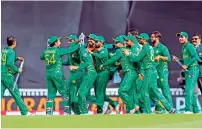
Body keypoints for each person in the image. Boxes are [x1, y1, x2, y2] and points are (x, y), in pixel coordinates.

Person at [123, 33, 175, 114]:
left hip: (149, 71)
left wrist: (128, 54)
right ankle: (170, 108)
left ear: (144, 39)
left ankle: (148, 112)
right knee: (156, 91)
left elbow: (136, 58)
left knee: (144, 92)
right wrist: (142, 71)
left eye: (140, 38)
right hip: (151, 71)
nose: (139, 40)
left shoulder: (145, 48)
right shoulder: (150, 47)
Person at [40, 36, 79, 115]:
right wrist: (78, 44)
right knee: (65, 92)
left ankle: (48, 112)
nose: (60, 43)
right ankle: (67, 112)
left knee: (51, 93)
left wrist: (48, 48)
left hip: (48, 74)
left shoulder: (46, 51)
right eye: (59, 41)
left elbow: (41, 57)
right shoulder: (58, 51)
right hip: (57, 74)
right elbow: (70, 50)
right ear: (55, 43)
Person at [102, 35, 139, 114]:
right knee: (130, 93)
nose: (115, 43)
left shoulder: (120, 51)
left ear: (121, 43)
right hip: (133, 73)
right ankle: (132, 111)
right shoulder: (128, 50)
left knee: (121, 91)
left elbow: (113, 59)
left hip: (129, 73)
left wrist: (104, 64)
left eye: (117, 42)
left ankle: (132, 107)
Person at [87, 36, 119, 114]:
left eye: (97, 41)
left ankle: (100, 110)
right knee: (98, 92)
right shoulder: (97, 50)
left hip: (104, 72)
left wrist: (91, 52)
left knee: (99, 92)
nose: (95, 42)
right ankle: (113, 104)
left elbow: (101, 56)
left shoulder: (104, 50)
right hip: (98, 73)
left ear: (101, 43)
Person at [1, 36, 31, 115]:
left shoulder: (4, 50)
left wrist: (16, 58)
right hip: (8, 76)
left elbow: (5, 61)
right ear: (14, 43)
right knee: (16, 94)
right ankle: (25, 112)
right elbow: (9, 63)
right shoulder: (11, 52)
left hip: (1, 74)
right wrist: (18, 69)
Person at [69, 39, 97, 115]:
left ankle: (85, 112)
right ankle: (83, 111)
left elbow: (87, 63)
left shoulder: (83, 51)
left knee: (81, 93)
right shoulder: (82, 51)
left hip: (90, 73)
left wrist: (76, 67)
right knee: (82, 94)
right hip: (87, 73)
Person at [174, 32, 200, 114]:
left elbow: (196, 57)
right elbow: (186, 59)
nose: (180, 38)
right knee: (191, 91)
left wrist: (187, 65)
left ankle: (188, 110)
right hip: (188, 70)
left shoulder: (189, 46)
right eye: (179, 37)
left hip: (193, 69)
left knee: (188, 90)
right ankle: (196, 111)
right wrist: (178, 60)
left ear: (186, 38)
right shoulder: (184, 47)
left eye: (182, 37)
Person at [150, 31, 173, 113]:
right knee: (151, 89)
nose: (151, 38)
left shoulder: (163, 47)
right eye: (151, 37)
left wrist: (159, 56)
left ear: (158, 37)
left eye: (153, 37)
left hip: (162, 72)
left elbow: (169, 58)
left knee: (165, 90)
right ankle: (159, 108)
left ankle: (170, 109)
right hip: (154, 72)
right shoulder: (151, 48)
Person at [62, 34, 81, 114]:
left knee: (73, 97)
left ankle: (82, 107)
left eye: (70, 40)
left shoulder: (78, 49)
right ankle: (77, 113)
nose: (68, 42)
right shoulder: (71, 50)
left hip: (78, 74)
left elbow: (85, 62)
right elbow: (69, 62)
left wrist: (76, 67)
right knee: (70, 96)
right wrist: (59, 63)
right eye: (68, 40)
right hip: (72, 74)